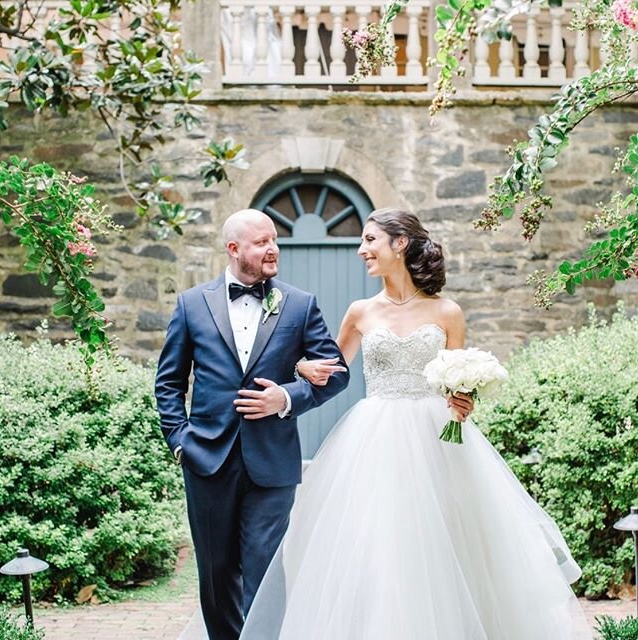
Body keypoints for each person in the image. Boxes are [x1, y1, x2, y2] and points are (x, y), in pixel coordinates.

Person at [239, 208, 590, 640]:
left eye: (370, 240)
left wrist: (463, 402)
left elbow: (456, 384)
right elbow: (330, 370)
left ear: (399, 244)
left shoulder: (448, 312)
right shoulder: (360, 312)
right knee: (379, 547)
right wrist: (299, 369)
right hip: (374, 441)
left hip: (435, 442)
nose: (361, 249)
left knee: (448, 546)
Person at [154, 209, 350, 640]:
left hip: (272, 463)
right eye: (262, 242)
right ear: (234, 249)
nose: (273, 248)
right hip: (206, 459)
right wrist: (179, 441)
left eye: (275, 239)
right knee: (216, 573)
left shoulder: (299, 304)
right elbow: (169, 383)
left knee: (264, 574)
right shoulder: (191, 304)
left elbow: (337, 373)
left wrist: (287, 397)